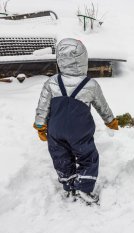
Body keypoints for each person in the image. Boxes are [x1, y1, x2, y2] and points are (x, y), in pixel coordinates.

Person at [33, 38, 118, 203]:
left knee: (61, 157)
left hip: (55, 130)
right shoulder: (90, 85)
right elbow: (102, 106)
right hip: (80, 131)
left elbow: (43, 107)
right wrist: (110, 120)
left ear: (60, 60)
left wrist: (40, 125)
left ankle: (68, 186)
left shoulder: (51, 83)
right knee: (88, 157)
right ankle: (84, 188)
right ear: (83, 59)